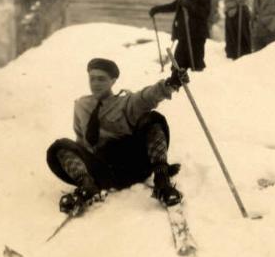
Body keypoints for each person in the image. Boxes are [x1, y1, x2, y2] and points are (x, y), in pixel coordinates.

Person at [46, 58, 189, 214]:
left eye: (101, 79)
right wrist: (78, 161)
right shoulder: (81, 105)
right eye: (92, 78)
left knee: (152, 119)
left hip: (131, 164)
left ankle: (162, 182)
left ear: (113, 81)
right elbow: (80, 139)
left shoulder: (124, 102)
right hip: (102, 170)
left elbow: (146, 97)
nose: (95, 83)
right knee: (59, 146)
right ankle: (87, 186)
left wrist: (170, 84)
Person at [149, 0, 211, 71]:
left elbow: (204, 13)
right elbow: (174, 6)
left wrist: (189, 5)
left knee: (195, 64)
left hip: (196, 36)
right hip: (184, 34)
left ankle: (199, 84)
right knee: (178, 65)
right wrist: (157, 9)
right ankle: (177, 83)